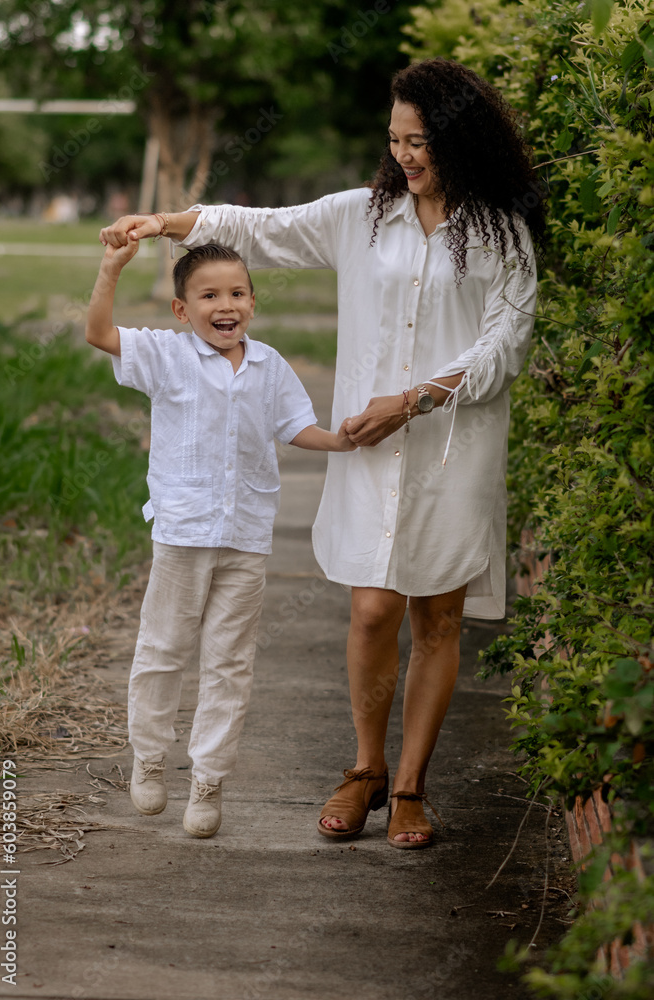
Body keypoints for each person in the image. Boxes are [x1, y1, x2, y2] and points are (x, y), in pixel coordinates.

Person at [100, 57, 546, 849]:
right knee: (372, 610)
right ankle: (365, 767)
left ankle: (409, 786)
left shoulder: (501, 233)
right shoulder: (361, 217)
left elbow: (505, 342)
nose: (403, 155)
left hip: (453, 446)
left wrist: (415, 399)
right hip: (367, 446)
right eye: (394, 140)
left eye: (418, 141)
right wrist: (164, 223)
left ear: (459, 139)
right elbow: (261, 228)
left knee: (437, 618)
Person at [85, 239, 355, 838]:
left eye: (236, 293)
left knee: (230, 663)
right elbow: (99, 333)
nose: (225, 305)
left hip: (246, 534)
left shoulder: (269, 365)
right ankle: (150, 757)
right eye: (208, 295)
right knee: (164, 649)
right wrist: (111, 268)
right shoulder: (166, 355)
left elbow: (296, 427)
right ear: (182, 310)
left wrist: (342, 440)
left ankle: (208, 779)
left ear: (253, 303)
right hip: (183, 530)